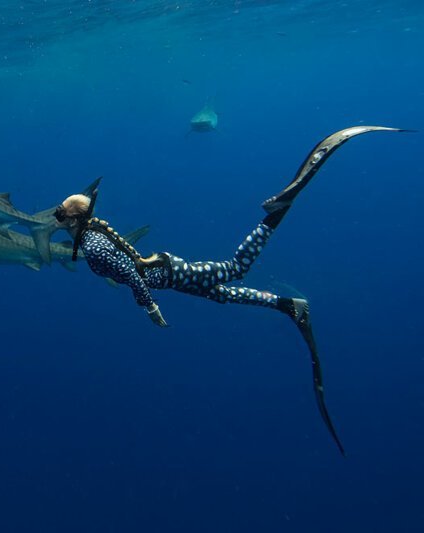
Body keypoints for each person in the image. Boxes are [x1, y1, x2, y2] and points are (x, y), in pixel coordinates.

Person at [54, 126, 406, 456]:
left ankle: (273, 213)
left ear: (72, 221)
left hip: (172, 275)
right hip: (169, 273)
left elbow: (130, 273)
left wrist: (150, 308)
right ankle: (288, 305)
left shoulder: (93, 245)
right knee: (223, 293)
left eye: (61, 219)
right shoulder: (92, 237)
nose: (60, 225)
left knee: (237, 268)